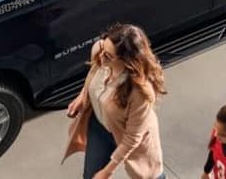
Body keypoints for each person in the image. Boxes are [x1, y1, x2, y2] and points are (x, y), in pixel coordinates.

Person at [63, 23, 168, 179]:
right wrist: (83, 96)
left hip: (133, 137)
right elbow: (93, 73)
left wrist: (107, 171)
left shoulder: (140, 92)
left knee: (149, 175)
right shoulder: (101, 50)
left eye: (109, 55)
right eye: (103, 48)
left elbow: (132, 138)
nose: (101, 55)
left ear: (128, 61)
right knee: (90, 176)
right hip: (101, 127)